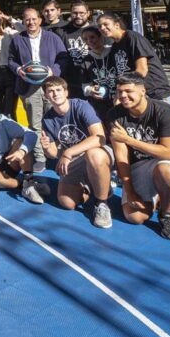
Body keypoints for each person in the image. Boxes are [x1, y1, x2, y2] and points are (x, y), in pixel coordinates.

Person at [105, 73, 170, 240]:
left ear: (143, 91)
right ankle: (159, 193)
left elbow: (168, 152)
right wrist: (129, 191)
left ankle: (166, 215)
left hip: (169, 160)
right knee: (135, 217)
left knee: (166, 172)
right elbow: (121, 155)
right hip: (140, 164)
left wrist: (130, 140)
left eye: (128, 91)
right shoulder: (114, 115)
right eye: (119, 92)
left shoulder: (165, 111)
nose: (123, 96)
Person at [38, 77, 113, 229]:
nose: (55, 94)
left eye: (58, 90)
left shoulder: (81, 106)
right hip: (74, 160)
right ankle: (93, 186)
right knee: (67, 203)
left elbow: (100, 138)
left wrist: (68, 153)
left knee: (94, 155)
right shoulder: (48, 119)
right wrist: (47, 149)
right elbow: (53, 154)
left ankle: (101, 204)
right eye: (50, 91)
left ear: (66, 92)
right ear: (45, 95)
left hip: (97, 152)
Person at [7, 8, 67, 170]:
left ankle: (56, 154)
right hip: (28, 85)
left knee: (55, 121)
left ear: (40, 20)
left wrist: (53, 71)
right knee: (35, 123)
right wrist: (18, 69)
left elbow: (63, 58)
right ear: (23, 21)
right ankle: (40, 157)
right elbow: (11, 60)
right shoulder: (17, 39)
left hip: (50, 83)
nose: (31, 22)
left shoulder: (52, 38)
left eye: (34, 19)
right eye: (27, 20)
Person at [97, 13, 170, 105]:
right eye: (99, 26)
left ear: (117, 25)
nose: (102, 28)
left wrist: (119, 95)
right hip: (136, 95)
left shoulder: (132, 37)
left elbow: (141, 70)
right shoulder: (115, 46)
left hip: (155, 93)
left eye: (105, 24)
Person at [59, 0, 94, 97]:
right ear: (71, 13)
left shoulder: (97, 30)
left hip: (93, 81)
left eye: (82, 13)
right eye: (75, 13)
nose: (78, 16)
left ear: (88, 13)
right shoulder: (62, 32)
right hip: (70, 82)